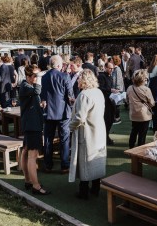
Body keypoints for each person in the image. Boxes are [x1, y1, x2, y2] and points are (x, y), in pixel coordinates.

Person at [68, 69, 107, 200]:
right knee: (95, 160)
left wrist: (70, 127)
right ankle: (95, 189)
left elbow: (80, 117)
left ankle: (83, 192)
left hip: (88, 133)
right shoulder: (98, 92)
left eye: (79, 78)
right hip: (99, 131)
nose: (77, 80)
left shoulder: (84, 95)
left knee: (85, 161)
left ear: (84, 80)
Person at [19, 65, 50, 195]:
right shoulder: (25, 85)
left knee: (26, 150)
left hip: (30, 123)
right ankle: (36, 186)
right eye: (36, 76)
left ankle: (28, 180)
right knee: (32, 155)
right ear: (29, 76)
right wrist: (39, 80)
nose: (37, 78)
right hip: (32, 125)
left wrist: (40, 104)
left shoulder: (27, 86)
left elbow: (34, 96)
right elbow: (36, 91)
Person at [40, 54, 74, 173]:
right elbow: (70, 95)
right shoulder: (65, 76)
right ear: (59, 65)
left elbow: (43, 95)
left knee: (48, 139)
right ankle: (64, 165)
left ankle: (48, 164)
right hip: (63, 112)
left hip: (49, 112)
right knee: (64, 139)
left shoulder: (44, 77)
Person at [126, 69, 155, 148]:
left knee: (134, 132)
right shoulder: (146, 89)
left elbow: (127, 100)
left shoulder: (129, 88)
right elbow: (152, 103)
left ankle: (131, 148)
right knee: (142, 135)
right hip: (144, 115)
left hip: (133, 114)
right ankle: (139, 151)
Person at [97, 62, 118, 145]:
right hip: (105, 102)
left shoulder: (110, 77)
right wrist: (110, 90)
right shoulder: (101, 76)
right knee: (106, 121)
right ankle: (105, 138)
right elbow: (100, 88)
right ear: (105, 67)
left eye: (112, 68)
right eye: (110, 68)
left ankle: (106, 136)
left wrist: (114, 91)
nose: (111, 70)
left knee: (110, 121)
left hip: (111, 101)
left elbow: (109, 87)